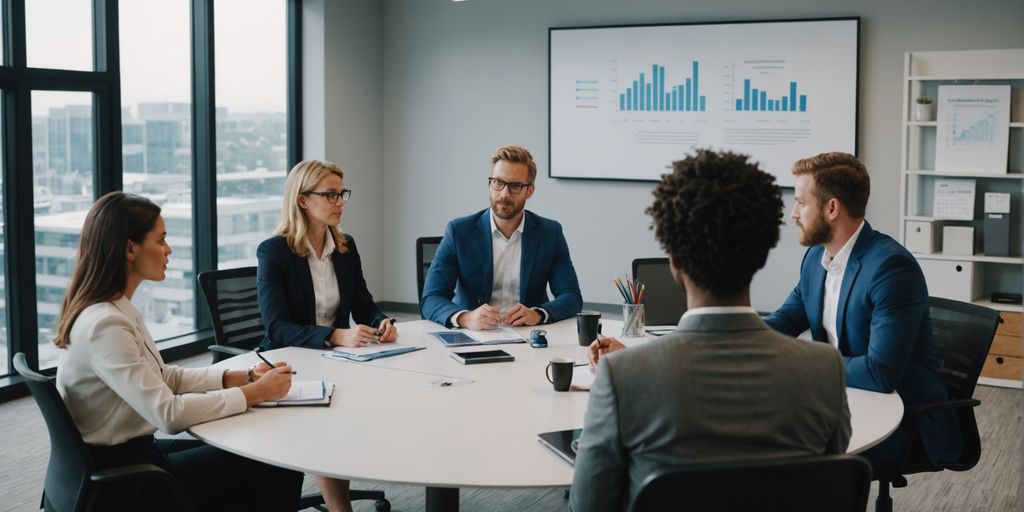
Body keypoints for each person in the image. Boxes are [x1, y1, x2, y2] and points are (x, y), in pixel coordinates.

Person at [571, 150, 851, 512]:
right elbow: (828, 490)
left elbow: (589, 506)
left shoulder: (621, 377)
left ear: (673, 261)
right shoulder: (825, 368)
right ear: (762, 255)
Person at [54, 192, 302, 511]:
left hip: (133, 456)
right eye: (161, 240)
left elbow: (164, 376)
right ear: (130, 248)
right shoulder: (106, 325)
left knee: (253, 449)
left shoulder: (113, 309)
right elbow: (168, 415)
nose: (168, 250)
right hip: (127, 481)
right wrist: (255, 393)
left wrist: (244, 377)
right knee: (277, 457)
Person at [762, 151, 960, 472]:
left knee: (791, 457)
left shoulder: (891, 268)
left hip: (901, 419)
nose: (793, 213)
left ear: (831, 208)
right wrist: (733, 337)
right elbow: (785, 319)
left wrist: (805, 363)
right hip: (844, 401)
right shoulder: (817, 259)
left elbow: (880, 373)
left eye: (800, 202)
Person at [257, 159, 394, 511]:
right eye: (330, 194)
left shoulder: (345, 247)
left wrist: (381, 321)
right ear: (303, 200)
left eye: (342, 193)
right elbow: (276, 327)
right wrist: (335, 335)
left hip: (336, 359)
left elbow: (363, 303)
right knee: (328, 414)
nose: (340, 202)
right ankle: (340, 508)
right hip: (290, 361)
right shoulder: (274, 252)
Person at [420, 145, 582, 329]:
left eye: (515, 186)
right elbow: (431, 298)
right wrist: (466, 318)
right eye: (498, 182)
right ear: (490, 183)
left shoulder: (550, 233)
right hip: (473, 335)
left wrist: (537, 314)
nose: (504, 194)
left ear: (530, 190)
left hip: (530, 334)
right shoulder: (459, 231)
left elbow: (571, 297)